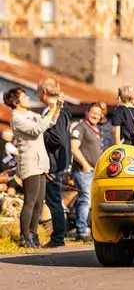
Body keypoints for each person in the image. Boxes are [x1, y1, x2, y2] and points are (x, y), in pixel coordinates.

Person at [3, 86, 62, 248]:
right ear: (16, 102)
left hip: (41, 162)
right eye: (24, 96)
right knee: (30, 201)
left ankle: (33, 234)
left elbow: (48, 123)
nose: (28, 98)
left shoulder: (30, 114)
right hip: (29, 163)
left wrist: (57, 107)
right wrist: (51, 109)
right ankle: (24, 237)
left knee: (39, 202)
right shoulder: (17, 118)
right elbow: (37, 129)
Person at [38, 77, 72, 248]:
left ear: (44, 92)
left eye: (38, 91)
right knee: (53, 201)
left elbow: (57, 139)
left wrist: (39, 134)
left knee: (54, 202)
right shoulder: (56, 110)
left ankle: (58, 237)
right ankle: (57, 236)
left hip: (53, 163)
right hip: (54, 162)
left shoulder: (59, 112)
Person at [71, 103, 103, 242]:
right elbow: (74, 148)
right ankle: (82, 231)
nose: (96, 115)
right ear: (87, 112)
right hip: (83, 171)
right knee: (85, 199)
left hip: (95, 171)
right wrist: (85, 165)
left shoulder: (96, 129)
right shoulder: (80, 127)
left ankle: (90, 229)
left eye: (98, 113)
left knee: (91, 201)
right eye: (93, 112)